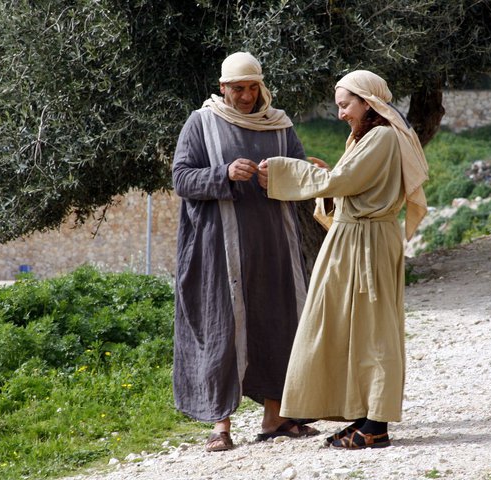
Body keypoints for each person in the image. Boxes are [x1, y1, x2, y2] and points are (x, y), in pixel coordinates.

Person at [257, 70, 429, 449]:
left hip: (367, 241)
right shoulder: (367, 137)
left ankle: (376, 425)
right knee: (344, 327)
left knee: (374, 331)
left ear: (368, 102)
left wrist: (285, 169)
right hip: (353, 239)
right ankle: (362, 415)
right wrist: (328, 177)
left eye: (345, 105)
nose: (341, 114)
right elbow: (346, 183)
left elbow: (343, 181)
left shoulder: (383, 136)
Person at [172, 52, 319, 452]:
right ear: (223, 88)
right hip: (219, 249)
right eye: (239, 88)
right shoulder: (200, 123)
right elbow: (182, 178)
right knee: (223, 328)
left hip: (275, 243)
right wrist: (223, 174)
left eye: (253, 87)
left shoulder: (279, 124)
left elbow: (301, 171)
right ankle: (221, 426)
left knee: (278, 323)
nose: (247, 96)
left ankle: (277, 417)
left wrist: (282, 175)